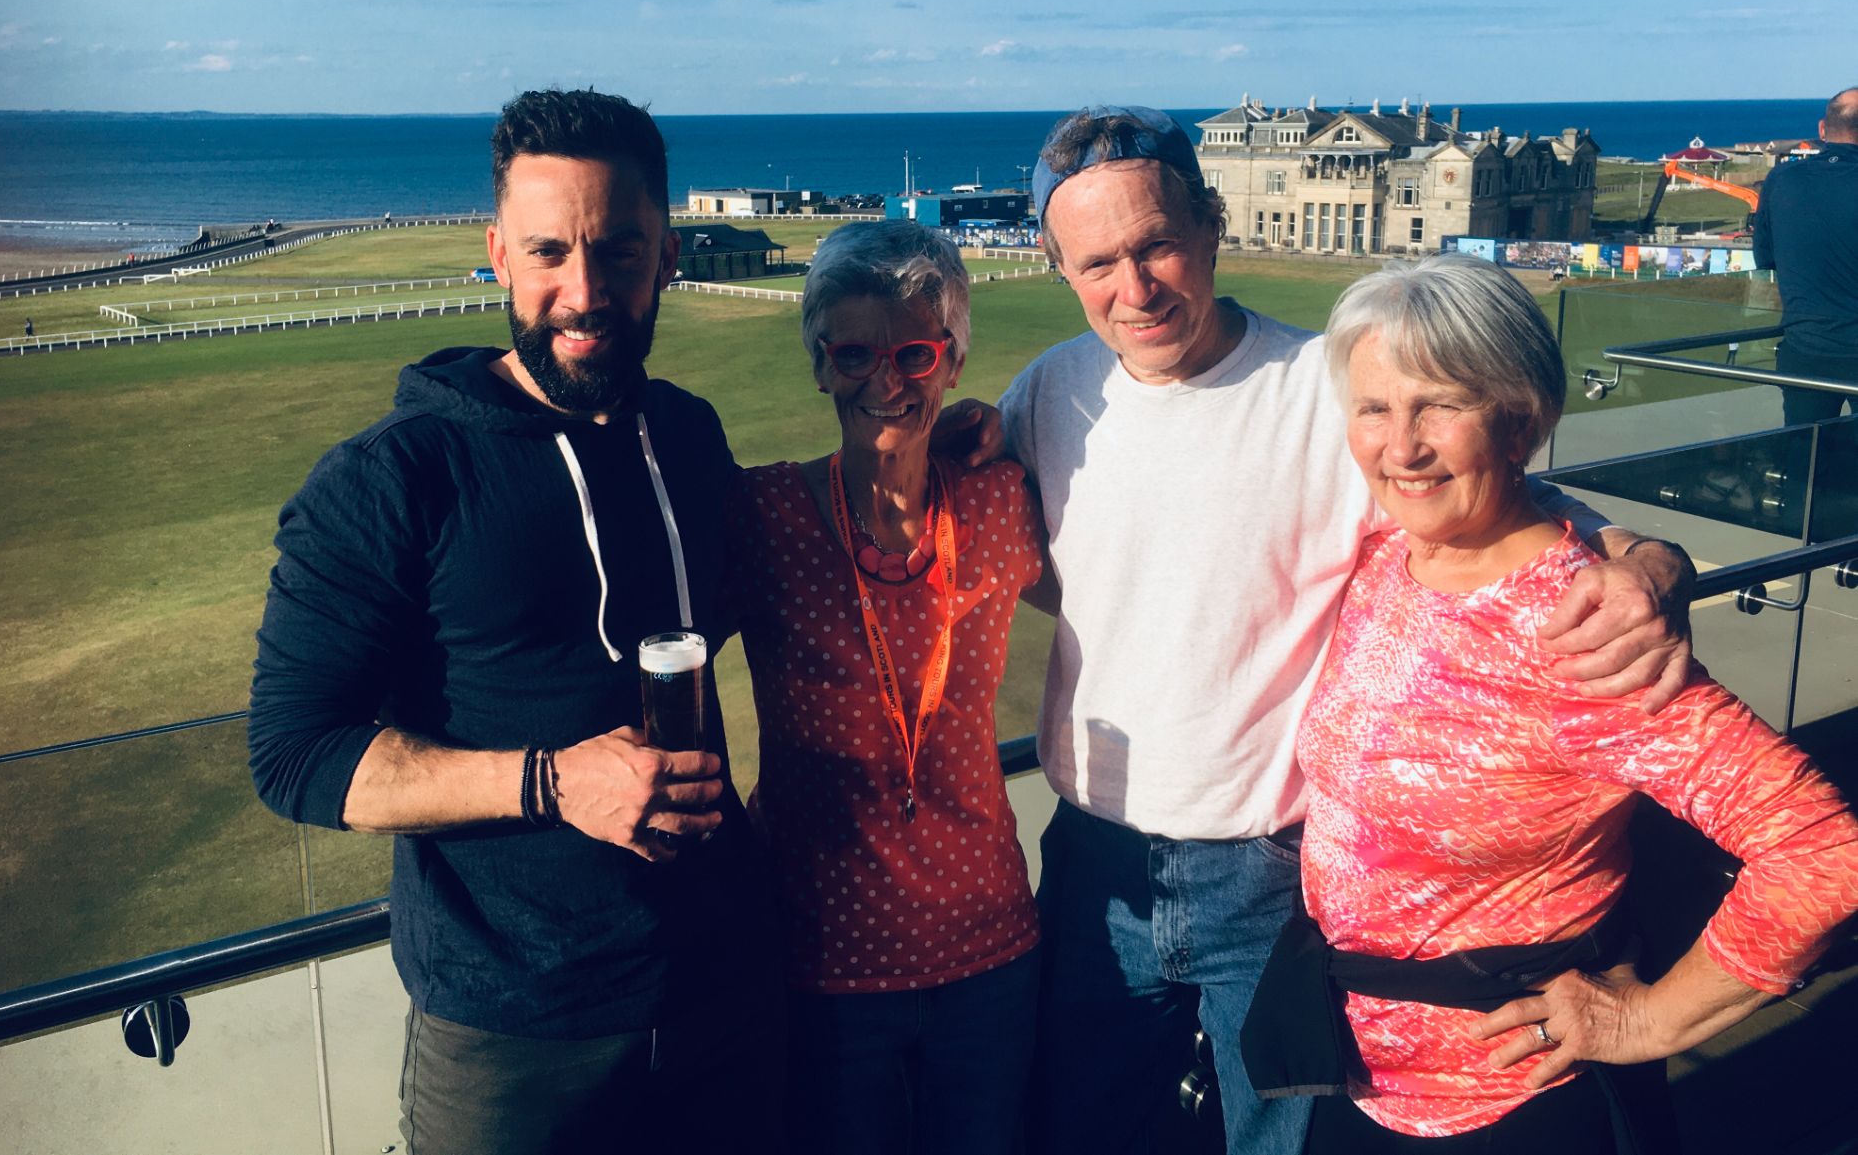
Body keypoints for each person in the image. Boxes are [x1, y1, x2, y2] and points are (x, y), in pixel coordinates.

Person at [997, 106, 1698, 1155]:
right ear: (1058, 266)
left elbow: (1511, 509)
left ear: (1209, 222)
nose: (1133, 289)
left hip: (1275, 875)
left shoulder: (1326, 390)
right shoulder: (1049, 393)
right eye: (1097, 262)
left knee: (1276, 1145)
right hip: (1095, 865)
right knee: (1084, 1130)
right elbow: (1033, 570)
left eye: (1156, 245)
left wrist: (1651, 560)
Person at [247, 88, 779, 1155]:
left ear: (667, 256)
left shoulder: (684, 432)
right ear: (496, 254)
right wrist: (552, 780)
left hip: (725, 992)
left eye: (618, 253)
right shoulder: (391, 480)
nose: (581, 293)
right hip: (515, 1038)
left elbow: (761, 567)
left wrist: (923, 447)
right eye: (547, 254)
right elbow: (295, 754)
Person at [1249, 253, 1858, 1152]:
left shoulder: (1578, 631)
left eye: (1440, 405)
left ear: (1518, 419)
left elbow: (1821, 852)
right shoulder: (1394, 553)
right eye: (1375, 408)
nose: (1400, 445)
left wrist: (1649, 1020)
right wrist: (1656, 549)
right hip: (1362, 1079)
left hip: (1512, 1103)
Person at [729, 220, 1044, 1155]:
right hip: (821, 965)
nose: (886, 379)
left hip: (989, 955)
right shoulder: (764, 515)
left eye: (914, 353)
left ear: (950, 362)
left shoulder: (1001, 501)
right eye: (854, 353)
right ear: (820, 365)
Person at [1752, 87, 1858, 424]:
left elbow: (1765, 258)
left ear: (1822, 130)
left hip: (1806, 348)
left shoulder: (1782, 179)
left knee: (1804, 461)